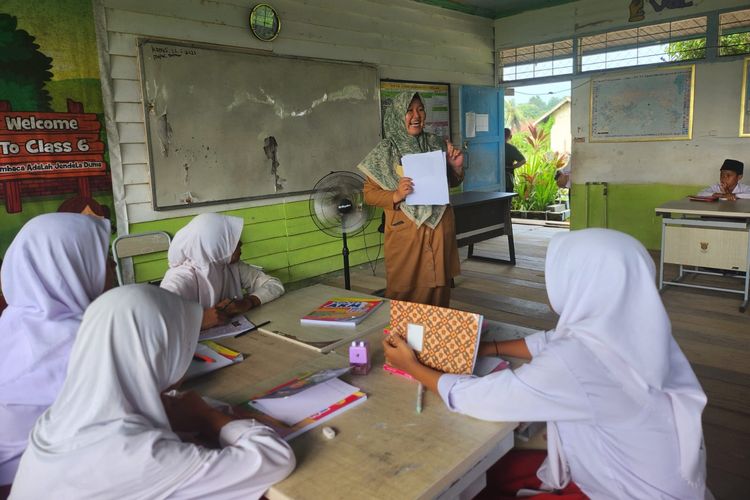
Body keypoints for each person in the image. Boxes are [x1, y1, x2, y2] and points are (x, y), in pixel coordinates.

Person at [383, 228, 709, 499]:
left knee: (469, 480)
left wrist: (412, 366)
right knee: (498, 469)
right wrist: (487, 347)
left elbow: (485, 399)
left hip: (624, 492)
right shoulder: (639, 329)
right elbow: (552, 340)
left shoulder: (577, 361)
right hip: (664, 484)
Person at [9, 285, 295, 499]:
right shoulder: (138, 454)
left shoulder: (56, 420)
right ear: (159, 354)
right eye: (185, 343)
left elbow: (176, 408)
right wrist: (211, 419)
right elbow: (273, 458)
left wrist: (208, 411)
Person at [0, 213, 112, 496]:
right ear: (72, 268)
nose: (110, 268)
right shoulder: (82, 340)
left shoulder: (11, 320)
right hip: (36, 482)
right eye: (103, 259)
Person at [358, 91, 464, 307]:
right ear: (398, 115)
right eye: (409, 110)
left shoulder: (435, 143)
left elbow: (450, 182)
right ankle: (405, 338)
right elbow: (369, 194)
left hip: (438, 228)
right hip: (407, 232)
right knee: (406, 289)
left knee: (439, 288)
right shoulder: (385, 151)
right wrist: (395, 195)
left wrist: (456, 167)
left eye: (420, 109)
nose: (416, 115)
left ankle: (434, 336)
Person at [160, 213, 285, 330]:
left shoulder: (230, 265)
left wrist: (248, 302)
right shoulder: (181, 277)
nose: (241, 243)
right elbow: (156, 321)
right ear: (214, 245)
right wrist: (200, 321)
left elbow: (274, 284)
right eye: (233, 241)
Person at [504, 128, 526, 192]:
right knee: (507, 199)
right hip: (508, 179)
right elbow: (523, 160)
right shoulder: (511, 148)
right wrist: (512, 167)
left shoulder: (494, 146)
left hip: (493, 178)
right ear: (510, 137)